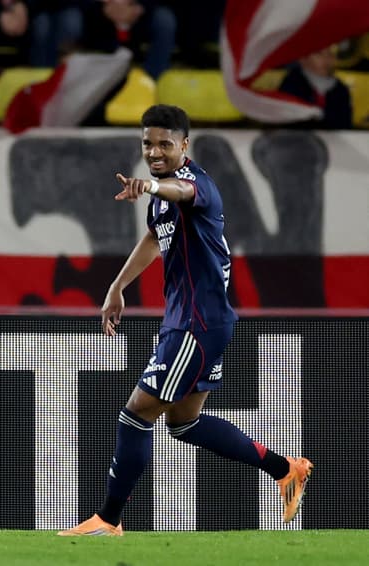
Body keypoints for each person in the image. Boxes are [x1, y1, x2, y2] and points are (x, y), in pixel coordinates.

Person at [58, 105, 313, 537]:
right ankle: (285, 469)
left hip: (196, 324)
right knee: (183, 423)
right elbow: (154, 237)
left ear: (184, 145)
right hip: (201, 320)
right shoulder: (162, 198)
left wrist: (152, 185)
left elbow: (182, 191)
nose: (154, 151)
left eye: (165, 144)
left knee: (136, 414)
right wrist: (116, 286)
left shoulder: (198, 185)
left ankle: (108, 519)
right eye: (147, 144)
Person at [278, 44, 354, 130]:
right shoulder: (291, 85)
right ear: (303, 59)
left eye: (330, 54)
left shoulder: (340, 90)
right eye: (319, 54)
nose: (326, 59)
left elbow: (344, 125)